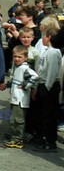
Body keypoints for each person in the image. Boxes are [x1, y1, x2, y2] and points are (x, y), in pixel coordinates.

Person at [33, 17, 62, 152]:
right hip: (42, 84)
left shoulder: (54, 52)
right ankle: (42, 137)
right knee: (42, 114)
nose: (42, 39)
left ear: (49, 37)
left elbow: (52, 72)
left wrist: (47, 87)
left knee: (49, 115)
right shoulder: (46, 51)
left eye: (44, 36)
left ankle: (51, 141)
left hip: (49, 86)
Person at [4, 45, 38, 149]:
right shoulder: (18, 67)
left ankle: (18, 139)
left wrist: (25, 86)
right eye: (15, 57)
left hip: (21, 100)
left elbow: (35, 76)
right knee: (13, 119)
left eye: (19, 57)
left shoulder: (24, 68)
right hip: (15, 98)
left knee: (18, 120)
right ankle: (14, 135)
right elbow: (15, 80)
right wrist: (7, 85)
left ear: (25, 57)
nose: (17, 59)